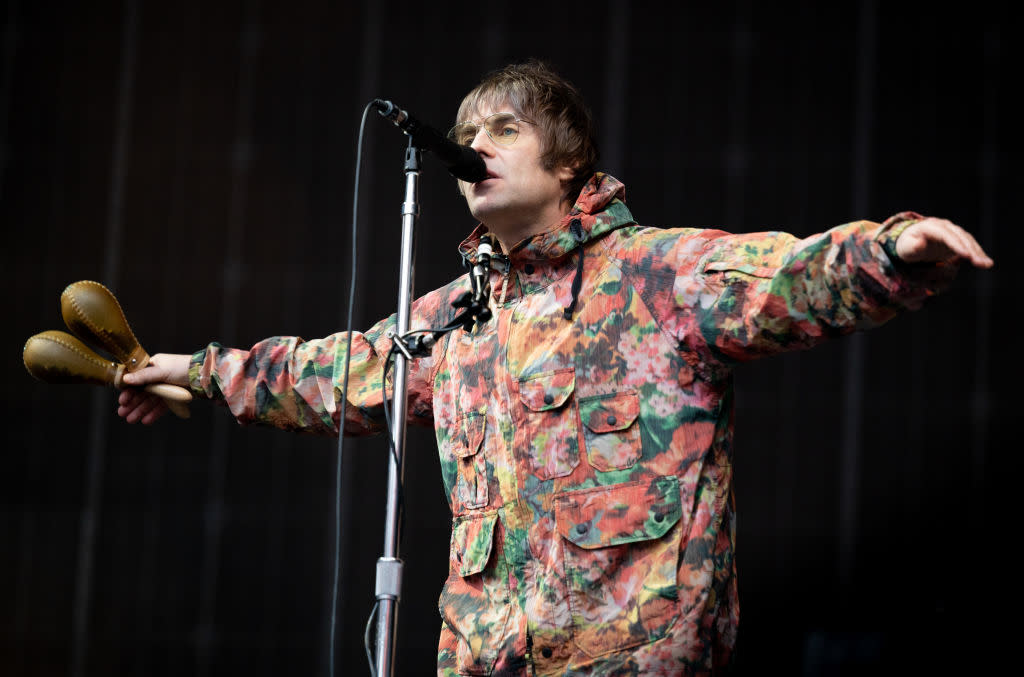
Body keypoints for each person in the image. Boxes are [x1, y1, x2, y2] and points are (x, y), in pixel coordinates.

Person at [116, 60, 994, 675]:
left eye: (505, 128)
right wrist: (193, 370)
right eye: (465, 133)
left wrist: (894, 249)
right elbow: (334, 372)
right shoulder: (457, 314)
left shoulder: (656, 274)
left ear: (570, 160)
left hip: (633, 654)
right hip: (485, 655)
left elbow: (790, 277)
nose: (475, 146)